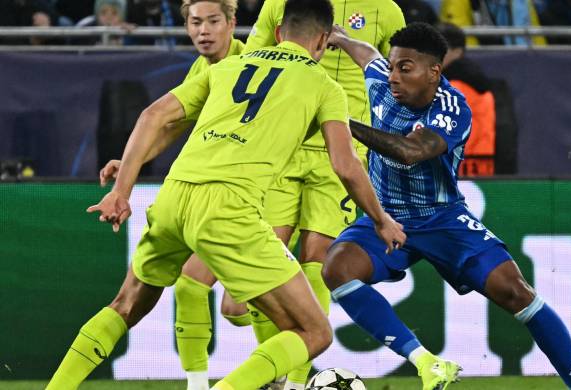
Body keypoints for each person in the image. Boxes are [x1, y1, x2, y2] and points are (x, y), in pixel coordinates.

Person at [45, 1, 405, 389]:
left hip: (174, 196)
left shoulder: (227, 68)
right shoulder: (324, 86)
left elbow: (154, 116)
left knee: (126, 304)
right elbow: (346, 165)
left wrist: (122, 190)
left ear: (279, 32)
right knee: (313, 332)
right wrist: (382, 220)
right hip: (228, 209)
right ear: (323, 41)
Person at [324, 22, 571, 390]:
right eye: (392, 67)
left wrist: (339, 124)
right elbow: (368, 56)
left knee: (516, 292)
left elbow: (412, 153)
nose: (393, 77)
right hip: (385, 216)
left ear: (434, 71)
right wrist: (340, 39)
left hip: (442, 219)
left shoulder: (453, 107)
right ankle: (426, 362)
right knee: (337, 269)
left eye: (405, 68)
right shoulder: (382, 83)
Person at [215, 1, 405, 388]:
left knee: (317, 257)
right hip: (283, 146)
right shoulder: (280, 6)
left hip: (344, 147)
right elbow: (253, 67)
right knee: (257, 273)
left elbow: (397, 78)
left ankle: (294, 381)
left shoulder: (386, 9)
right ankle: (275, 372)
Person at [97, 1, 247, 388]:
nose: (204, 31)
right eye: (195, 23)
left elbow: (155, 117)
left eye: (213, 21)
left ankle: (286, 371)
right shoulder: (204, 68)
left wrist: (123, 185)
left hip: (260, 195)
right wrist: (131, 161)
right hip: (217, 198)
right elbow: (170, 125)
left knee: (241, 304)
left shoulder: (245, 67)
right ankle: (202, 384)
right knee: (194, 286)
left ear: (233, 23)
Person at [438, 22, 496, 177]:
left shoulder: (454, 87)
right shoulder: (473, 79)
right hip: (481, 166)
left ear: (457, 51)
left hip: (461, 170)